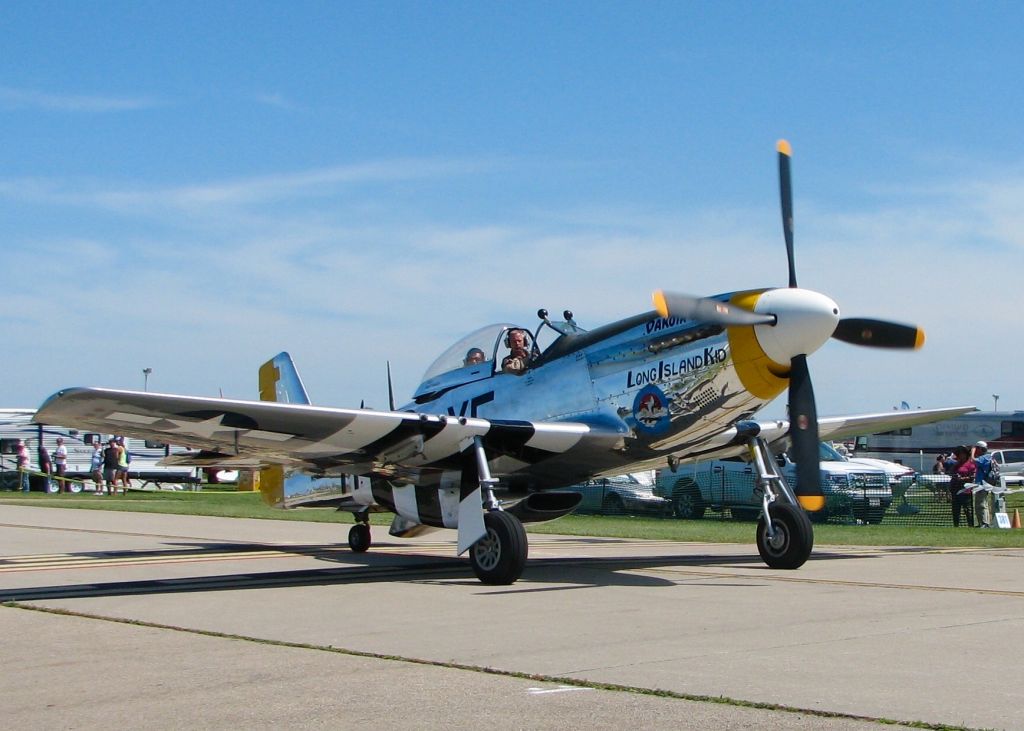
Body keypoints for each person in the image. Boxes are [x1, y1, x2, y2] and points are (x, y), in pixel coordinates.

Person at [946, 446, 975, 528]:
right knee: (955, 509)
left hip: (966, 490)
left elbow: (973, 476)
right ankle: (956, 525)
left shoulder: (970, 464)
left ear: (966, 454)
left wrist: (963, 478)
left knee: (967, 509)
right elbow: (950, 473)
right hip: (955, 489)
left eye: (962, 453)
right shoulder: (956, 464)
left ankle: (970, 525)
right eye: (960, 454)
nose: (961, 455)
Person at [971, 440, 994, 528]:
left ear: (980, 449)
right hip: (986, 483)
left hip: (982, 484)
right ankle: (984, 522)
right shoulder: (989, 457)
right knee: (984, 503)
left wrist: (973, 451)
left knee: (980, 504)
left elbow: (972, 460)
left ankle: (984, 523)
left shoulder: (984, 458)